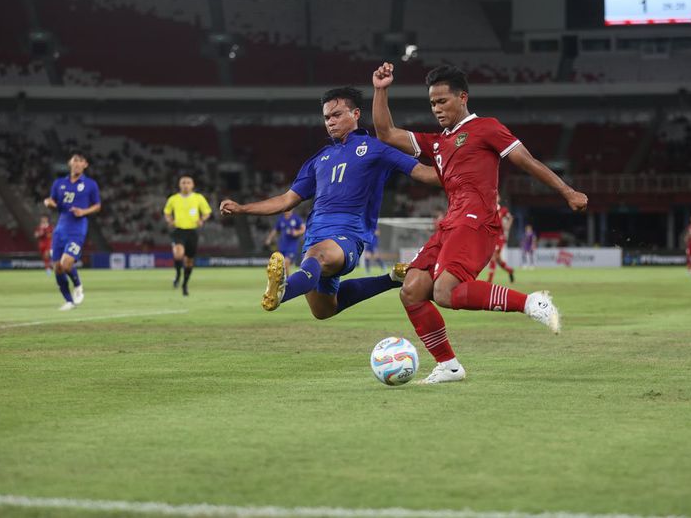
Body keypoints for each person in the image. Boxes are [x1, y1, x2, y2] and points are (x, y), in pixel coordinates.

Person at [372, 62, 588, 384]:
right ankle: (449, 366)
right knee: (413, 290)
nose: (437, 109)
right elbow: (386, 133)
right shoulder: (437, 142)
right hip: (449, 224)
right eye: (432, 103)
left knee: (445, 292)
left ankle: (531, 302)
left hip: (477, 221)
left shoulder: (487, 128)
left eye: (442, 101)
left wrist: (567, 191)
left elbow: (526, 161)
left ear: (463, 97)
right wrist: (380, 89)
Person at [219, 86, 440, 319]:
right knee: (324, 310)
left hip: (348, 236)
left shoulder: (377, 148)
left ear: (355, 114)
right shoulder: (319, 158)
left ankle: (282, 292)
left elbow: (426, 174)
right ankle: (392, 278)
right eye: (326, 117)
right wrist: (242, 208)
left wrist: (467, 168)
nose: (330, 122)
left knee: (317, 257)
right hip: (315, 237)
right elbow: (286, 200)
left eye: (336, 115)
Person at [43, 153, 101, 311]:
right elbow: (53, 201)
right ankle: (69, 301)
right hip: (60, 229)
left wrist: (83, 212)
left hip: (77, 229)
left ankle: (78, 284)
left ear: (85, 165)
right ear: (69, 163)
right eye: (74, 161)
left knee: (66, 263)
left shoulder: (90, 184)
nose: (77, 164)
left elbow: (97, 205)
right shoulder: (59, 183)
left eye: (80, 161)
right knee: (57, 267)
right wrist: (49, 202)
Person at [163, 175, 212, 296]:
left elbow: (207, 212)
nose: (185, 184)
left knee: (189, 261)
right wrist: (169, 220)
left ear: (192, 185)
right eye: (183, 182)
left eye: (188, 182)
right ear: (179, 185)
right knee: (178, 254)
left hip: (192, 232)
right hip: (178, 231)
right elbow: (167, 212)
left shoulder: (198, 198)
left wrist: (201, 220)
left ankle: (185, 284)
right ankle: (178, 275)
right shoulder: (173, 199)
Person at [265, 210, 306, 276]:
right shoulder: (281, 219)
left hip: (292, 246)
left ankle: (287, 280)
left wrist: (297, 232)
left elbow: (304, 229)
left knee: (286, 262)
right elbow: (275, 230)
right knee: (281, 265)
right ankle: (284, 279)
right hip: (282, 245)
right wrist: (269, 239)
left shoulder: (296, 218)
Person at [487, 195, 514, 283]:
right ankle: (510, 270)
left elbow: (510, 218)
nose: (495, 198)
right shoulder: (489, 210)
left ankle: (489, 281)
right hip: (492, 238)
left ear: (499, 199)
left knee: (493, 257)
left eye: (497, 196)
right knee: (498, 260)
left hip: (499, 238)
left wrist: (507, 227)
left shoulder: (503, 210)